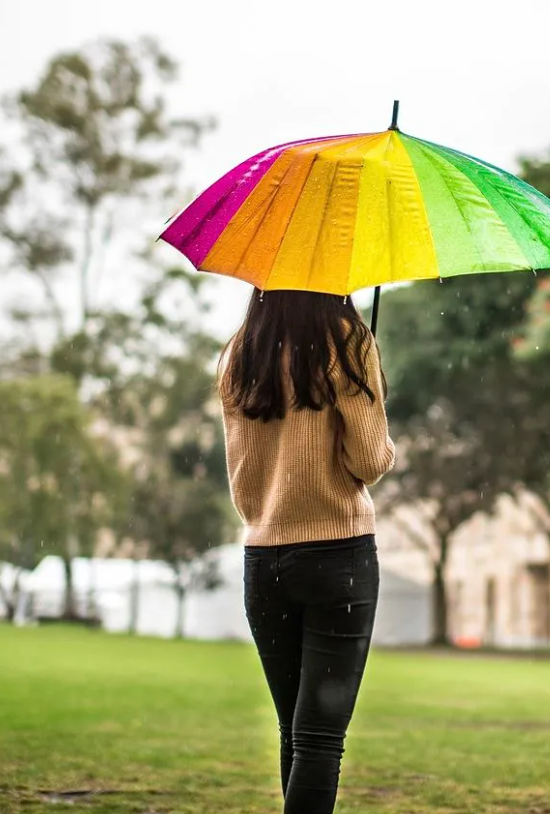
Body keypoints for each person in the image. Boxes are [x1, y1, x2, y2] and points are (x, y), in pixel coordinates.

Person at [218, 289, 395, 814]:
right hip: (338, 554)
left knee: (294, 730)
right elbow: (368, 460)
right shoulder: (347, 340)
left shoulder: (239, 353)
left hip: (264, 559)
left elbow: (243, 477)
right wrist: (380, 423)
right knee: (319, 737)